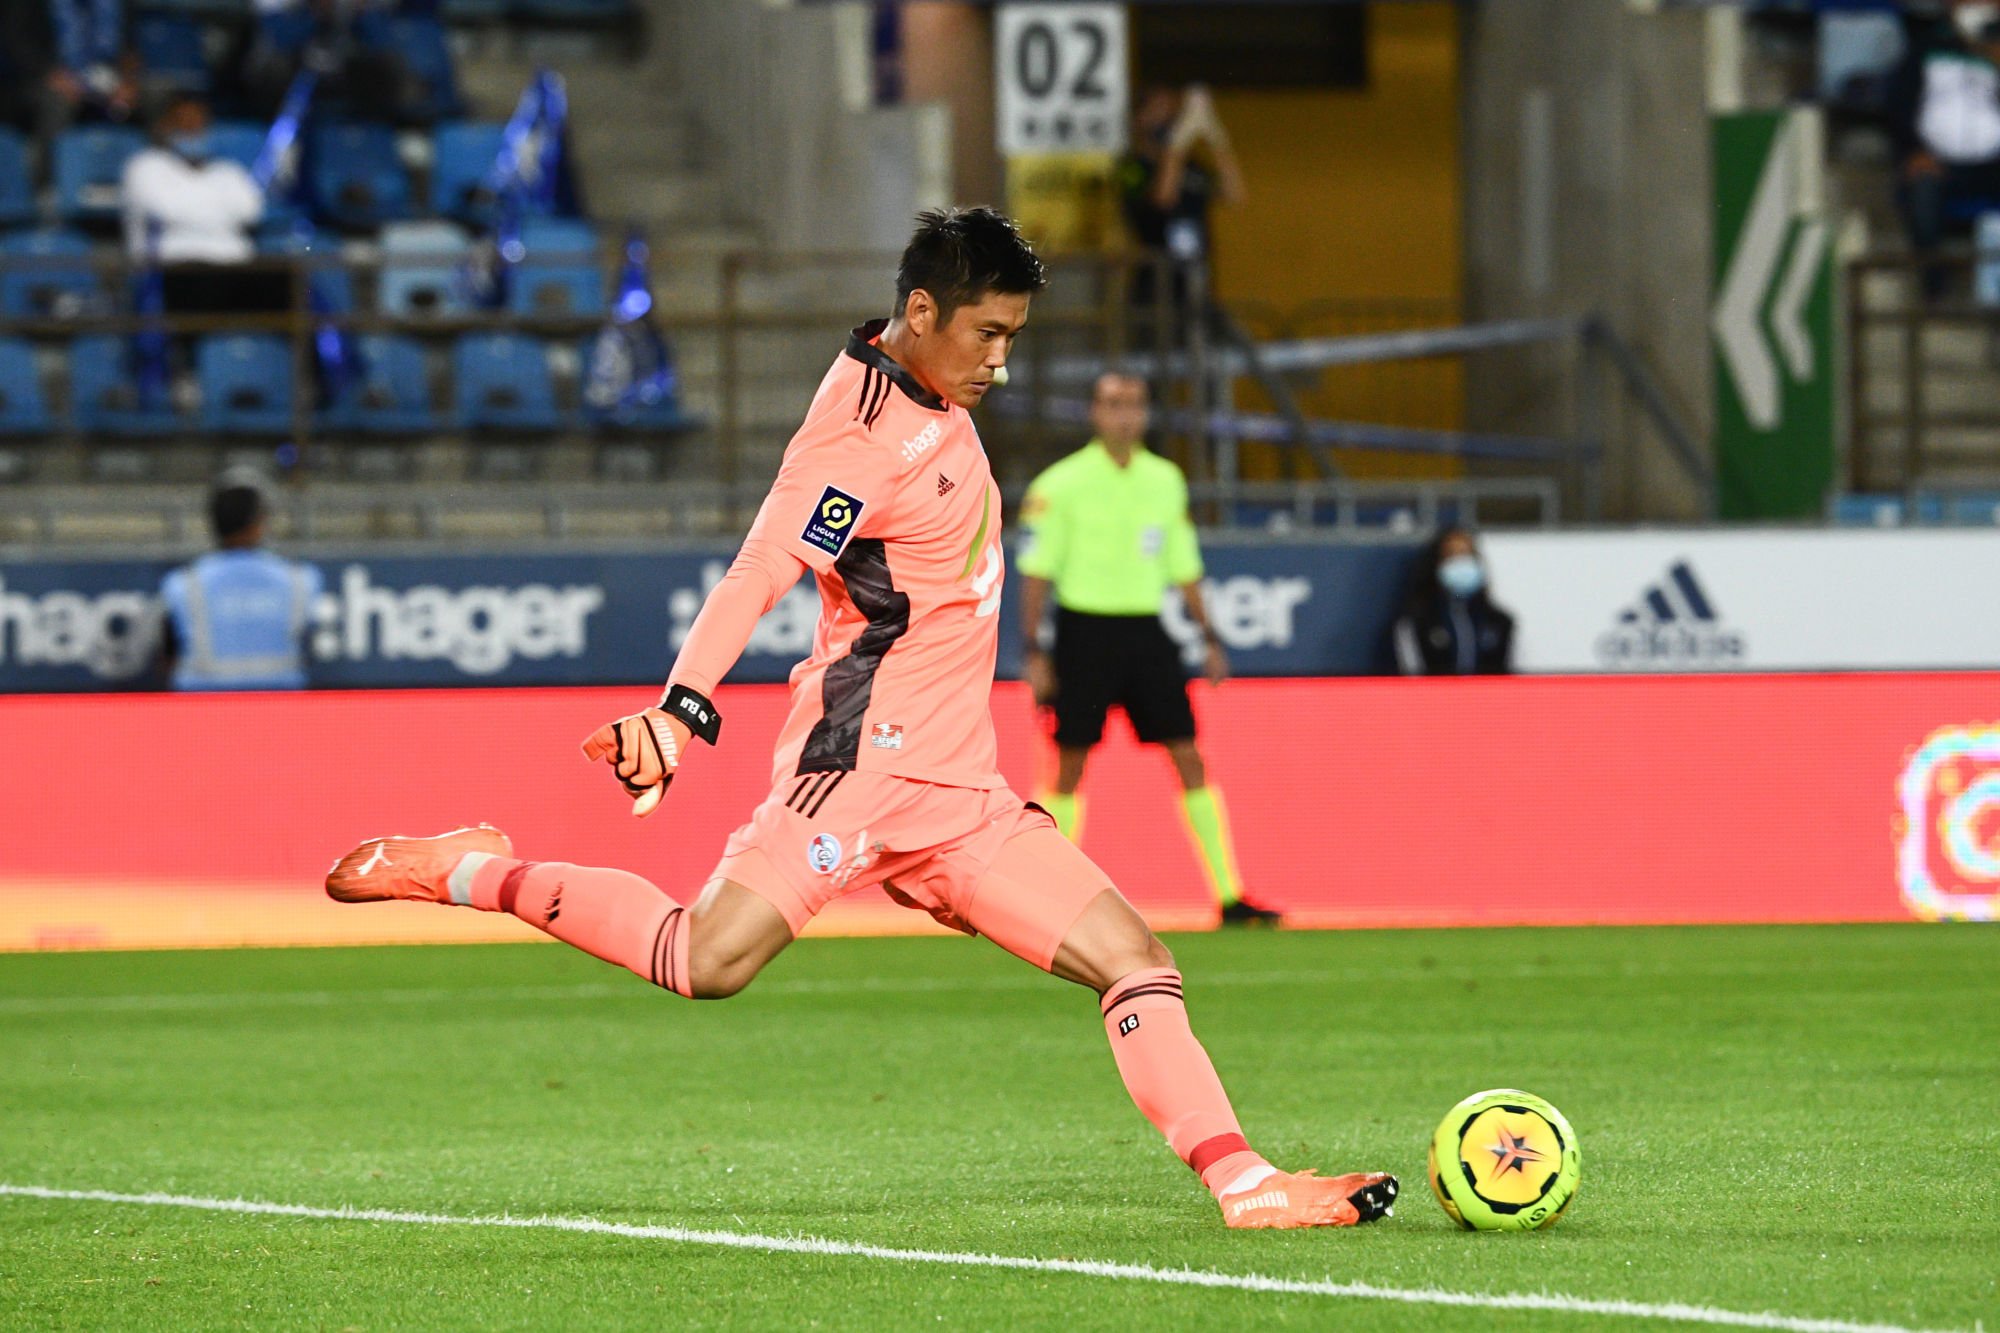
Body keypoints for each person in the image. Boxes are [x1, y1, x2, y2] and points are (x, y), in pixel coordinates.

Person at [324, 207, 1397, 1232]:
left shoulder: (930, 392)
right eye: (987, 333)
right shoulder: (857, 441)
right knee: (705, 960)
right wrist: (681, 709)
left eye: (1013, 337)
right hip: (859, 769)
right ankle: (469, 870)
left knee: (1135, 955)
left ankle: (1244, 1184)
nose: (1000, 362)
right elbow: (760, 568)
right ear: (921, 312)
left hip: (961, 794)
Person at [1016, 371, 1280, 927]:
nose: (1125, 415)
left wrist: (1209, 636)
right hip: (1084, 631)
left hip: (1146, 630)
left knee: (1188, 753)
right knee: (1070, 761)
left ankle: (1229, 894)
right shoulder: (1060, 484)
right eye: (1114, 403)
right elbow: (1036, 572)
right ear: (1094, 412)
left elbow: (1183, 564)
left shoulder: (1164, 479)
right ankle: (1051, 896)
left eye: (1134, 404)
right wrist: (1034, 650)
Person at [120, 95, 288, 316]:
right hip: (173, 270)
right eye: (184, 123)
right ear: (165, 127)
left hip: (235, 267)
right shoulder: (145, 165)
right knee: (204, 287)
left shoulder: (227, 170)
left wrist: (195, 205)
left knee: (291, 283)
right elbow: (168, 211)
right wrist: (220, 208)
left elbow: (251, 212)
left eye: (199, 124)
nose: (192, 130)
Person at [159, 475, 321, 691]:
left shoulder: (184, 584)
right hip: (280, 705)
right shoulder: (299, 580)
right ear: (259, 522)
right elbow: (310, 651)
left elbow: (169, 657)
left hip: (204, 705)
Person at [1888, 0, 2000, 298]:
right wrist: (1914, 149)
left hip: (1994, 164)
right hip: (1939, 162)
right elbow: (1900, 104)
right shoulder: (1926, 47)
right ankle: (1934, 289)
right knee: (1922, 185)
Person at [1390, 527, 1514, 677]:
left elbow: (1514, 673)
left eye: (1466, 555)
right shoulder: (1415, 622)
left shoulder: (1501, 622)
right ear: (1438, 564)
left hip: (1490, 693)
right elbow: (1412, 676)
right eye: (1452, 556)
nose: (1461, 563)